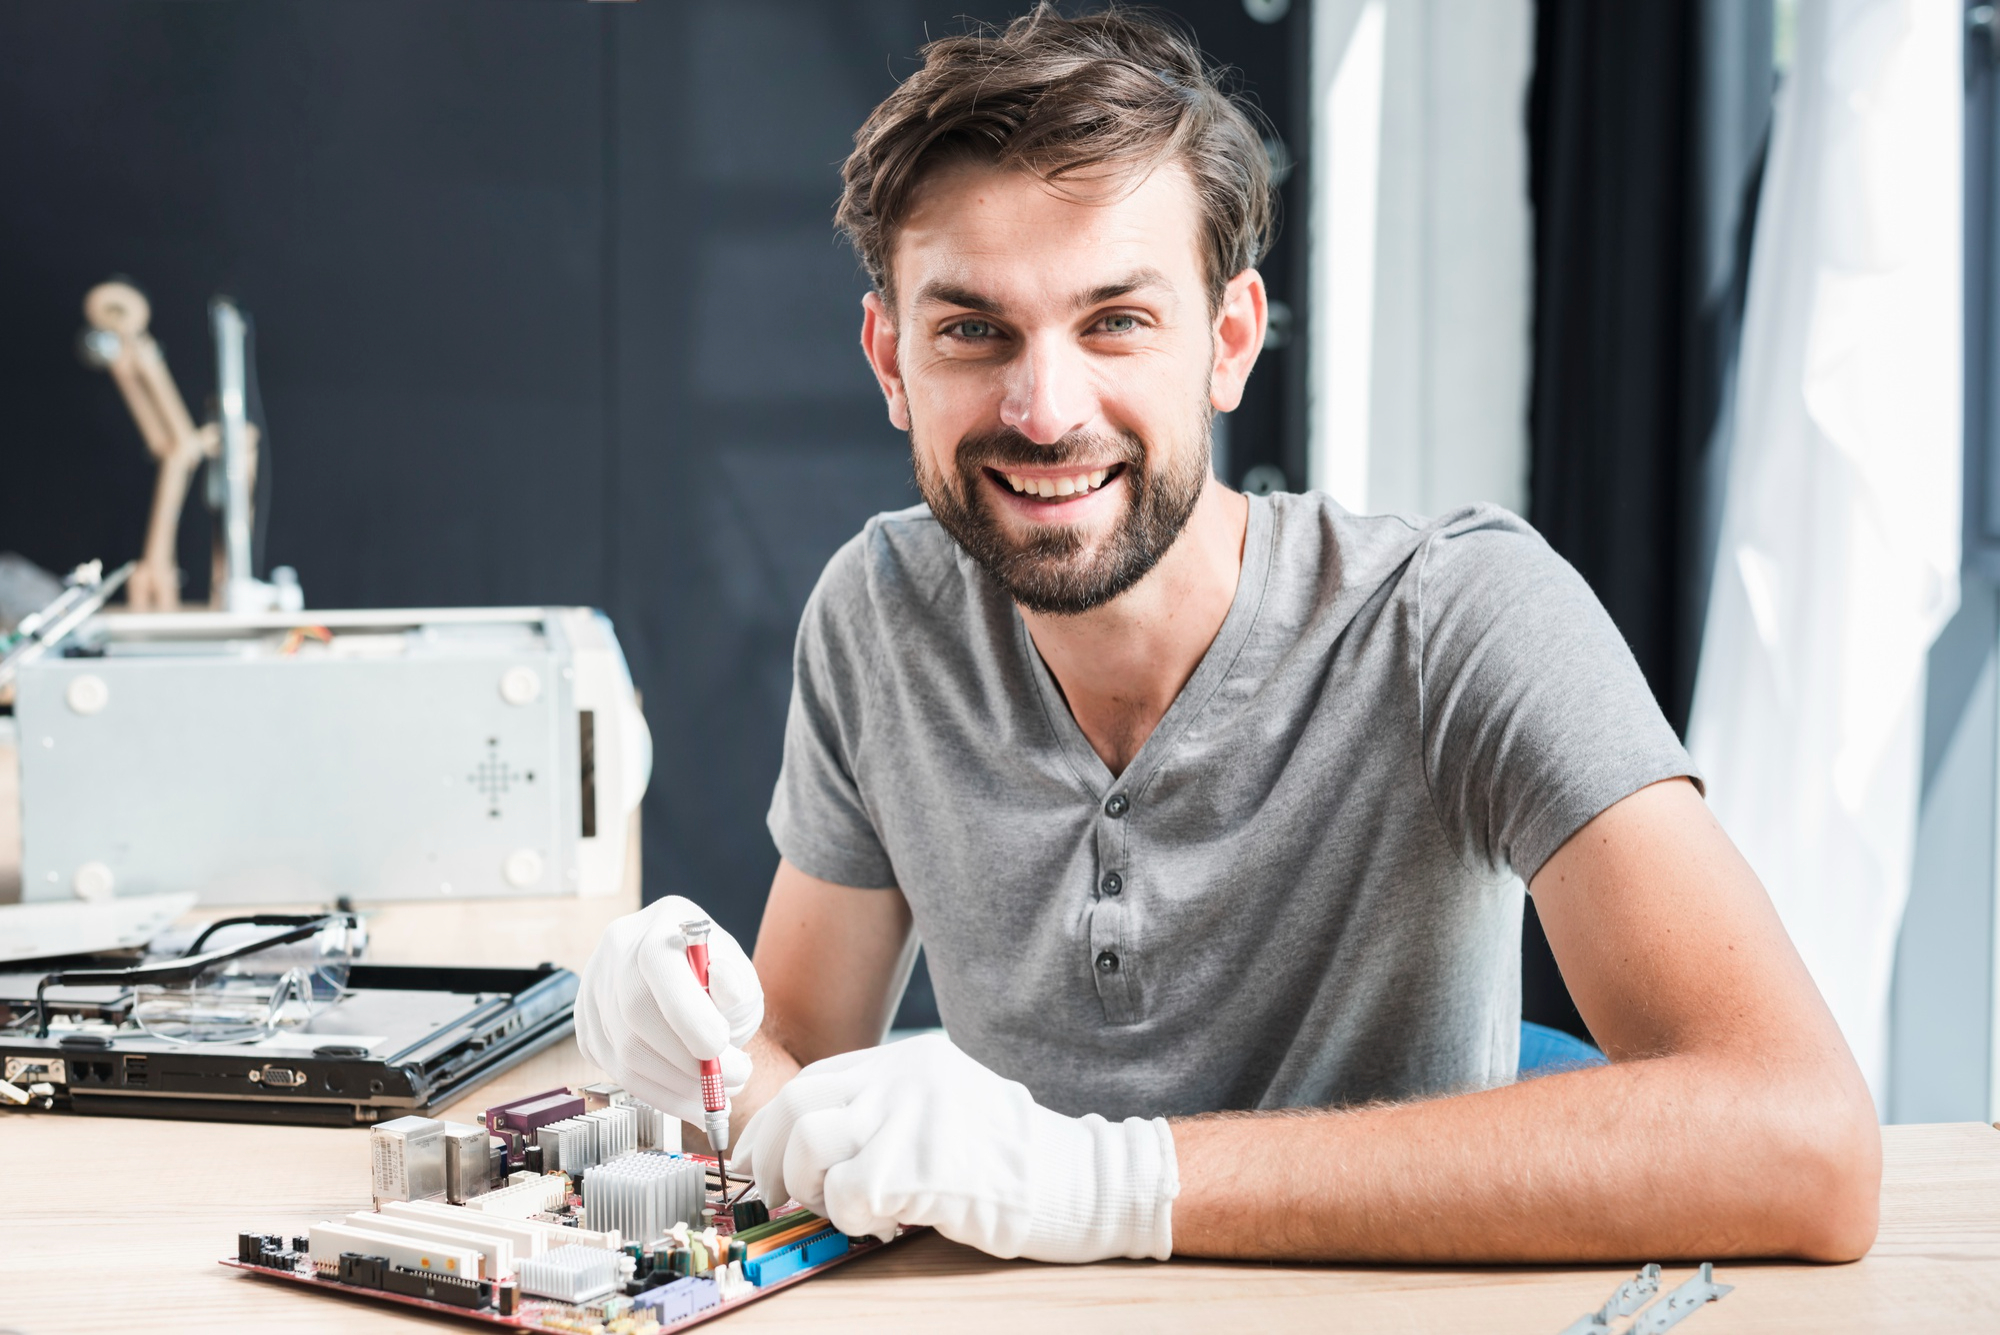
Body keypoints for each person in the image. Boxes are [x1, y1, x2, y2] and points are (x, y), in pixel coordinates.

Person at [576, 4, 1879, 1266]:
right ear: (890, 359)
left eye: (1117, 322)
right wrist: (693, 1043)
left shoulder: (1459, 622)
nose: (1044, 407)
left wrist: (1124, 1183)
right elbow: (807, 1066)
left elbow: (1805, 1140)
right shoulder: (879, 614)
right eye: (974, 330)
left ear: (1230, 341)